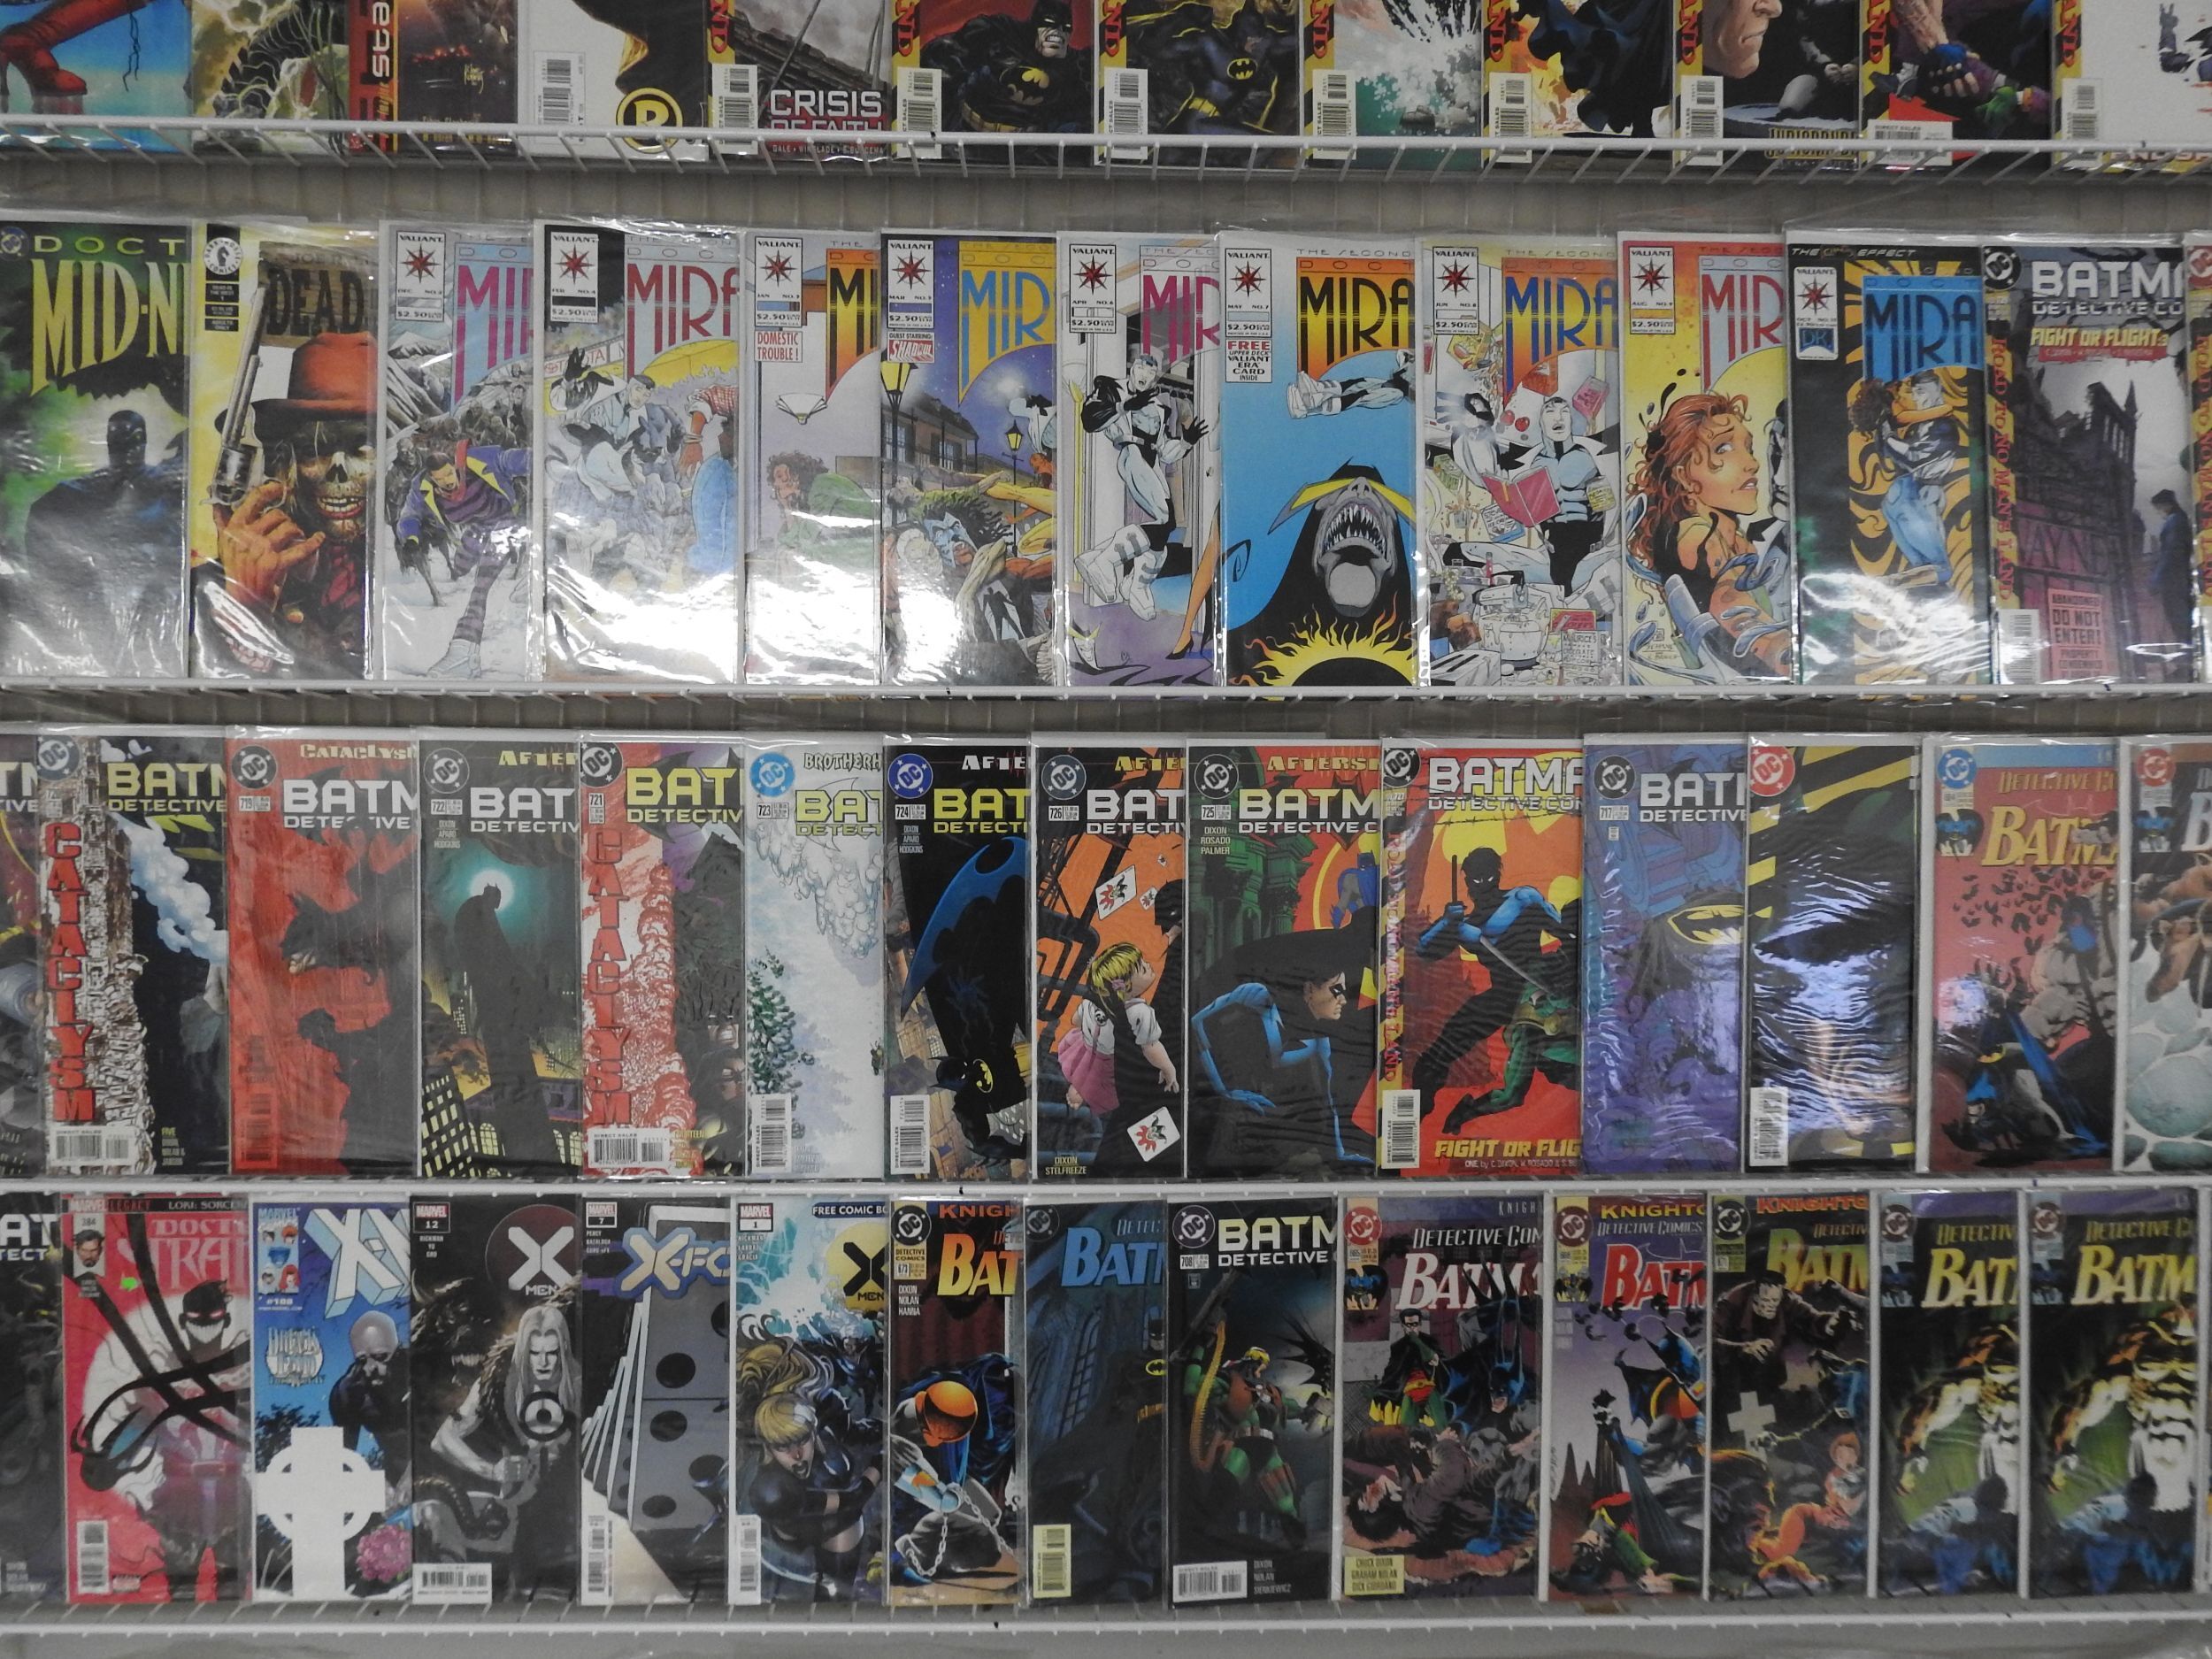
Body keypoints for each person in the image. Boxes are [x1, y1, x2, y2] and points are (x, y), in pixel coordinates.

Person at [202, 331, 377, 677]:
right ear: (285, 464)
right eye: (313, 451)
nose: (338, 473)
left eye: (363, 449)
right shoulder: (217, 582)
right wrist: (244, 602)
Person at [1626, 390, 1790, 677]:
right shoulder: (1699, 538)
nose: (1752, 464)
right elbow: (1732, 606)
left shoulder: (1728, 537)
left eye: (1748, 447)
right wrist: (1781, 651)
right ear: (1683, 475)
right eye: (1723, 448)